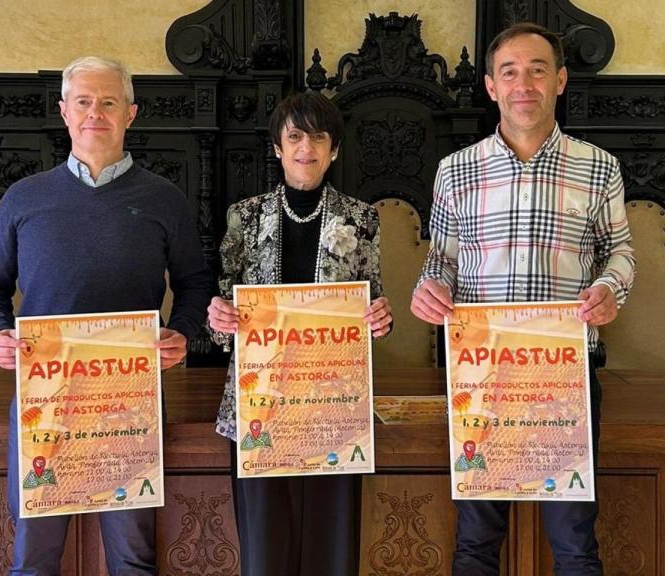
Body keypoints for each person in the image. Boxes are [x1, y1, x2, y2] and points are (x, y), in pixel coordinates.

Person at [0, 56, 212, 576]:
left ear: (131, 113)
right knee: (34, 558)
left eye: (108, 103)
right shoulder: (23, 198)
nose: (94, 113)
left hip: (130, 401)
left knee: (133, 558)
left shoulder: (164, 198)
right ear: (64, 112)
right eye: (83, 102)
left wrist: (182, 331)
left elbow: (195, 284)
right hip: (43, 401)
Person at [410, 23, 635, 576]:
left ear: (559, 79)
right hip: (481, 380)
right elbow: (441, 262)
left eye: (537, 69)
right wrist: (428, 289)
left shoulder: (598, 166)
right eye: (509, 72)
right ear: (491, 86)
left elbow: (621, 251)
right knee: (476, 544)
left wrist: (610, 289)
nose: (524, 83)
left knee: (575, 546)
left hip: (566, 379)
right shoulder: (455, 171)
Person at [206, 91, 393, 576]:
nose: (305, 147)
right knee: (266, 543)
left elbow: (371, 303)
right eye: (294, 136)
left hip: (334, 401)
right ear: (277, 147)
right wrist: (220, 318)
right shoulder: (243, 217)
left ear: (334, 150)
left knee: (332, 544)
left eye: (318, 137)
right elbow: (224, 306)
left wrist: (379, 319)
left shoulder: (362, 217)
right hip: (259, 400)